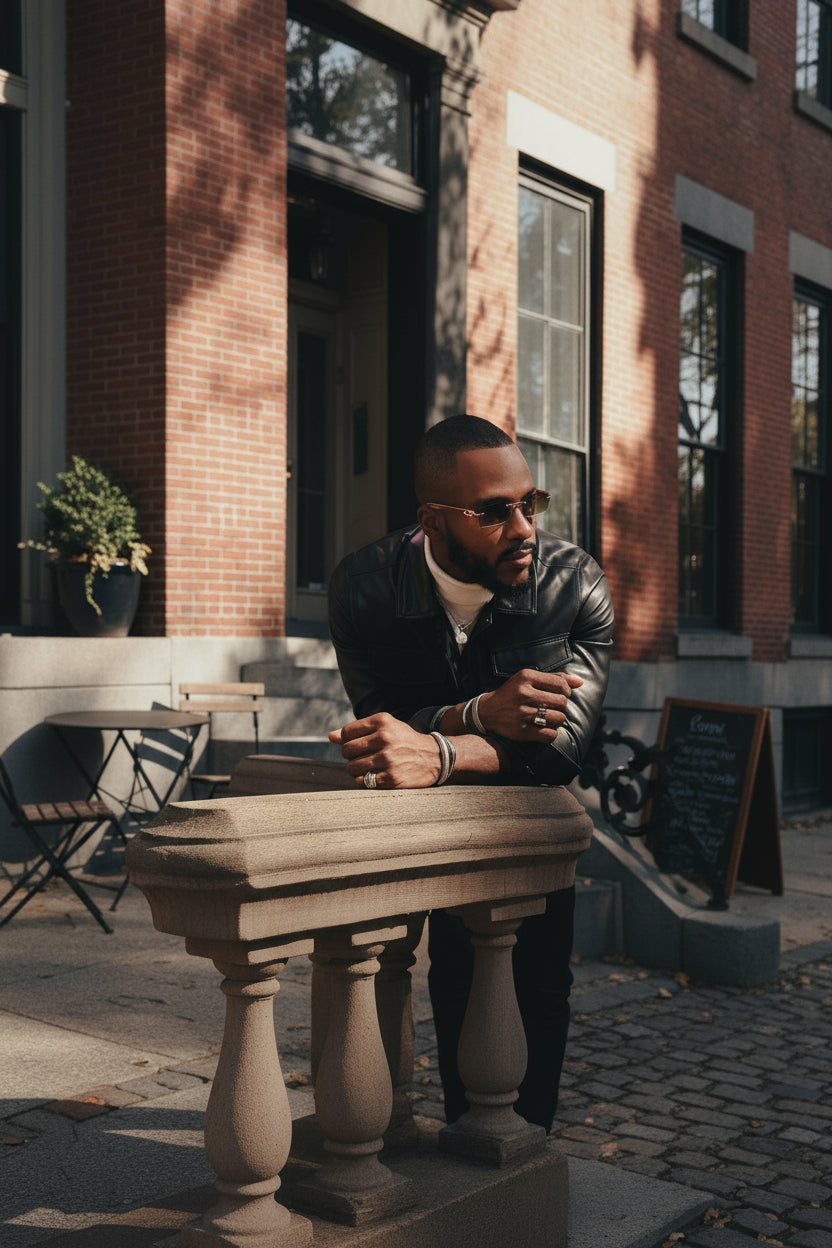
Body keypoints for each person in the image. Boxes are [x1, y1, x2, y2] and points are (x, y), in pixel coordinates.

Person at [327, 413, 613, 1132]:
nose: (523, 528)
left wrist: (443, 747)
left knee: (541, 988)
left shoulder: (572, 583)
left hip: (530, 825)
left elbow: (557, 750)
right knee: (451, 978)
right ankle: (462, 1140)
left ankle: (528, 1156)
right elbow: (381, 732)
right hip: (420, 826)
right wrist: (483, 713)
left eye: (531, 503)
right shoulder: (362, 589)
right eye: (492, 511)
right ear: (432, 520)